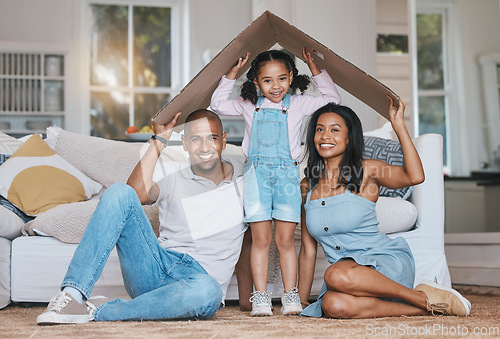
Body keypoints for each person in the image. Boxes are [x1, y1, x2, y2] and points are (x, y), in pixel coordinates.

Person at [37, 109, 252, 324]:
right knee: (119, 191)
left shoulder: (247, 177)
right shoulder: (174, 172)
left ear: (223, 140)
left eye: (211, 138)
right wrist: (159, 141)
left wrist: (249, 297)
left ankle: (99, 311)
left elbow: (252, 238)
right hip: (156, 267)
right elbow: (134, 194)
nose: (204, 148)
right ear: (185, 144)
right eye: (196, 139)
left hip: (199, 283)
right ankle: (73, 296)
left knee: (208, 291)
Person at [297, 98, 471, 318]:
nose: (325, 136)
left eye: (335, 130)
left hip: (384, 263)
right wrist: (301, 301)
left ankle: (418, 296)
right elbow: (307, 248)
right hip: (349, 279)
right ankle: (428, 306)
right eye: (319, 129)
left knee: (334, 275)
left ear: (349, 138)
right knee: (332, 305)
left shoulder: (367, 170)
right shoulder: (307, 186)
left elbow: (414, 176)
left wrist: (399, 126)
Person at [210, 47, 341, 316]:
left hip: (287, 178)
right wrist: (232, 73)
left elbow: (333, 99)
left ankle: (290, 295)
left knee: (284, 240)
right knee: (260, 239)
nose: (276, 86)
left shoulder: (299, 103)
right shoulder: (249, 104)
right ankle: (261, 297)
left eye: (282, 78)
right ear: (256, 82)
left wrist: (314, 67)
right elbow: (217, 105)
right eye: (267, 80)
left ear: (291, 77)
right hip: (257, 177)